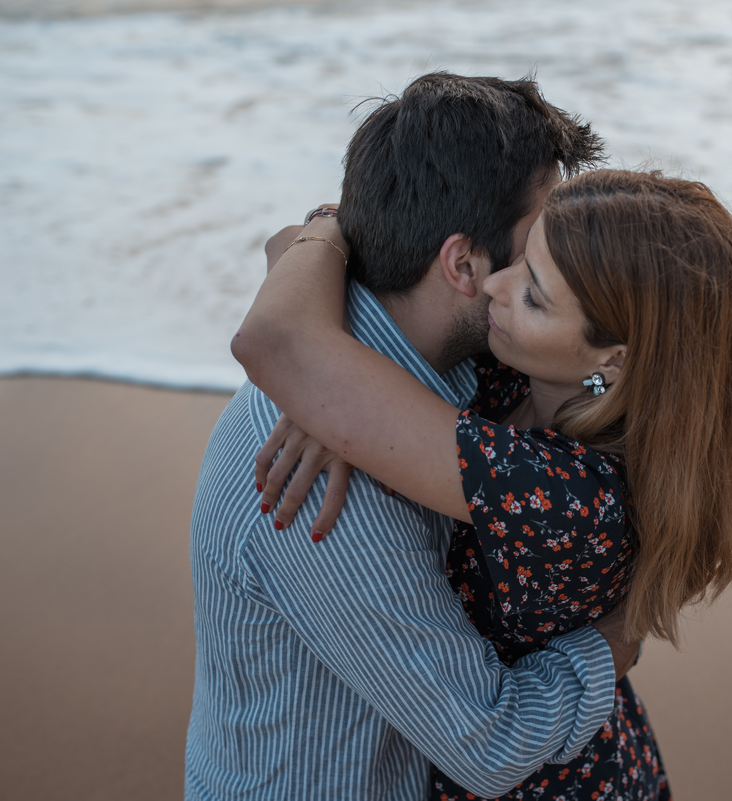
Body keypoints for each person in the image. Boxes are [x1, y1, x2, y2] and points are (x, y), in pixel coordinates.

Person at [234, 169, 732, 799]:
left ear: (615, 360)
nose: (494, 284)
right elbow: (285, 246)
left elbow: (274, 338)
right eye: (524, 256)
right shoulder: (528, 377)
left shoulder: (573, 496)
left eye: (535, 296)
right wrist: (339, 382)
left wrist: (335, 399)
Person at [186, 73, 641, 801]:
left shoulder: (423, 378)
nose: (562, 261)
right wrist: (615, 642)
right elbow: (489, 743)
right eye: (535, 249)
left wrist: (321, 237)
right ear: (463, 265)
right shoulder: (326, 489)